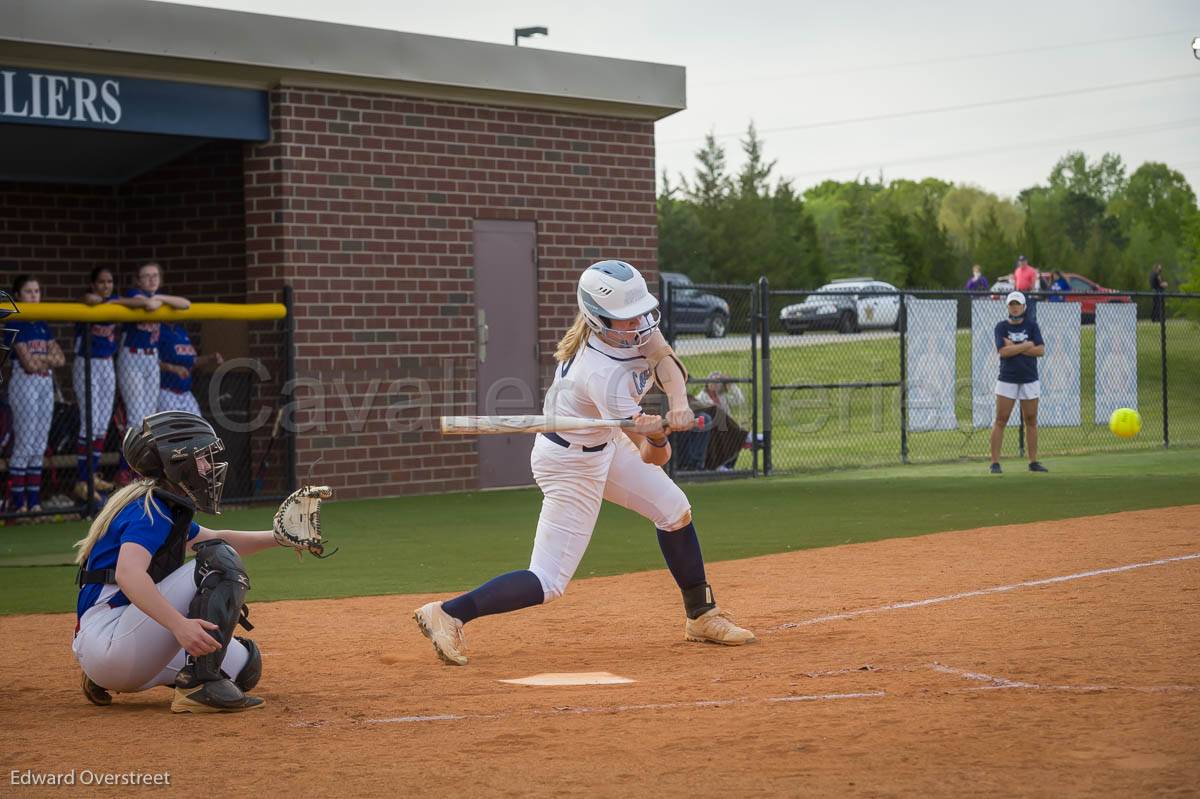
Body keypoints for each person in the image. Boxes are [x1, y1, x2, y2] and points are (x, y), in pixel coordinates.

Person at [412, 260, 755, 666]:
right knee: (547, 580)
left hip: (601, 443)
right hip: (569, 465)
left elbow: (664, 359)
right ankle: (450, 613)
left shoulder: (635, 324)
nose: (636, 325)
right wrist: (657, 434)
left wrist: (679, 403)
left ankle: (701, 615)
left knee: (674, 510)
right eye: (623, 319)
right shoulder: (599, 373)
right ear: (597, 318)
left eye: (637, 314)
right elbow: (653, 456)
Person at [73, 411, 292, 713]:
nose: (207, 466)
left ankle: (107, 677)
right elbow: (128, 574)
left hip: (115, 647)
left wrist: (281, 536)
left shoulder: (159, 504)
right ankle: (200, 686)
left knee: (245, 668)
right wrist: (179, 626)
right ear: (176, 462)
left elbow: (216, 536)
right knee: (219, 560)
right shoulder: (150, 511)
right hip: (110, 641)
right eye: (200, 457)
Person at [73, 266, 151, 502]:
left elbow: (138, 304)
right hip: (86, 363)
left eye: (109, 282)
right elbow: (89, 299)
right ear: (93, 284)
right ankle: (82, 478)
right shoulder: (88, 300)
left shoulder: (116, 300)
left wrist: (116, 301)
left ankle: (91, 475)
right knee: (90, 421)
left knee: (101, 424)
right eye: (101, 282)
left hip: (106, 363)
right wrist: (106, 301)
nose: (106, 285)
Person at [115, 263, 190, 485]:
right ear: (138, 280)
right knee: (136, 417)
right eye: (146, 276)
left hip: (150, 358)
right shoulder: (133, 294)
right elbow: (147, 305)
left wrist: (161, 299)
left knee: (149, 419)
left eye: (155, 276)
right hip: (132, 357)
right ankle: (125, 470)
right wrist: (156, 300)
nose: (151, 279)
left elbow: (185, 304)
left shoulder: (159, 298)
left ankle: (137, 469)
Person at [7, 275, 65, 515]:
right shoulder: (16, 322)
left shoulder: (42, 324)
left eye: (37, 291)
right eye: (29, 292)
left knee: (39, 444)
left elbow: (60, 359)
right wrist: (45, 360)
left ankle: (35, 504)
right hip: (25, 382)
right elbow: (28, 364)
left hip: (43, 384)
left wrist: (40, 359)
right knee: (25, 443)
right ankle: (19, 506)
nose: (34, 296)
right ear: (18, 296)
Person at [989, 291, 1047, 474]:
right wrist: (1026, 345)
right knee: (1001, 420)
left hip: (1029, 379)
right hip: (1008, 379)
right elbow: (1003, 352)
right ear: (1008, 306)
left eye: (1017, 304)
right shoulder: (1001, 327)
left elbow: (1040, 350)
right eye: (1011, 304)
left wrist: (1013, 346)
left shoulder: (1032, 325)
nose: (1014, 307)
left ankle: (1033, 462)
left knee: (1031, 420)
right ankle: (995, 463)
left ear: (1024, 306)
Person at [157, 323, 222, 416]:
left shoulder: (180, 331)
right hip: (166, 391)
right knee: (171, 429)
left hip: (186, 392)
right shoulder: (159, 331)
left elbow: (192, 360)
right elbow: (152, 362)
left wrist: (210, 358)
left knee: (197, 427)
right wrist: (173, 368)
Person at [1013, 256, 1039, 321]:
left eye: (1023, 261)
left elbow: (1033, 283)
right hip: (1019, 293)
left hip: (1028, 292)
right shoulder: (1017, 270)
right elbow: (1015, 281)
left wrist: (1032, 292)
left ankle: (1032, 327)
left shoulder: (1031, 270)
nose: (1022, 262)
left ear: (1026, 261)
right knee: (1019, 312)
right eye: (1020, 261)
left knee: (1030, 312)